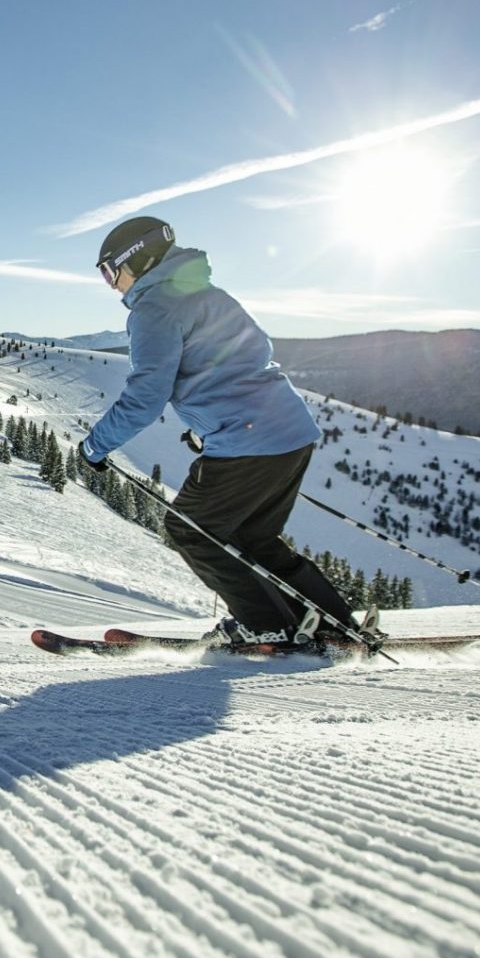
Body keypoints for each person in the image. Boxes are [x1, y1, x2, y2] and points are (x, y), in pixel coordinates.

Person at [77, 216, 361, 650]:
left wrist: (95, 446)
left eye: (109, 271)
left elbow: (147, 396)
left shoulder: (154, 309)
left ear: (138, 259)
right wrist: (210, 427)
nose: (111, 283)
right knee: (252, 539)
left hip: (248, 440)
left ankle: (263, 624)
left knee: (190, 528)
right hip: (291, 432)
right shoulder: (208, 294)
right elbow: (243, 360)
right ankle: (331, 625)